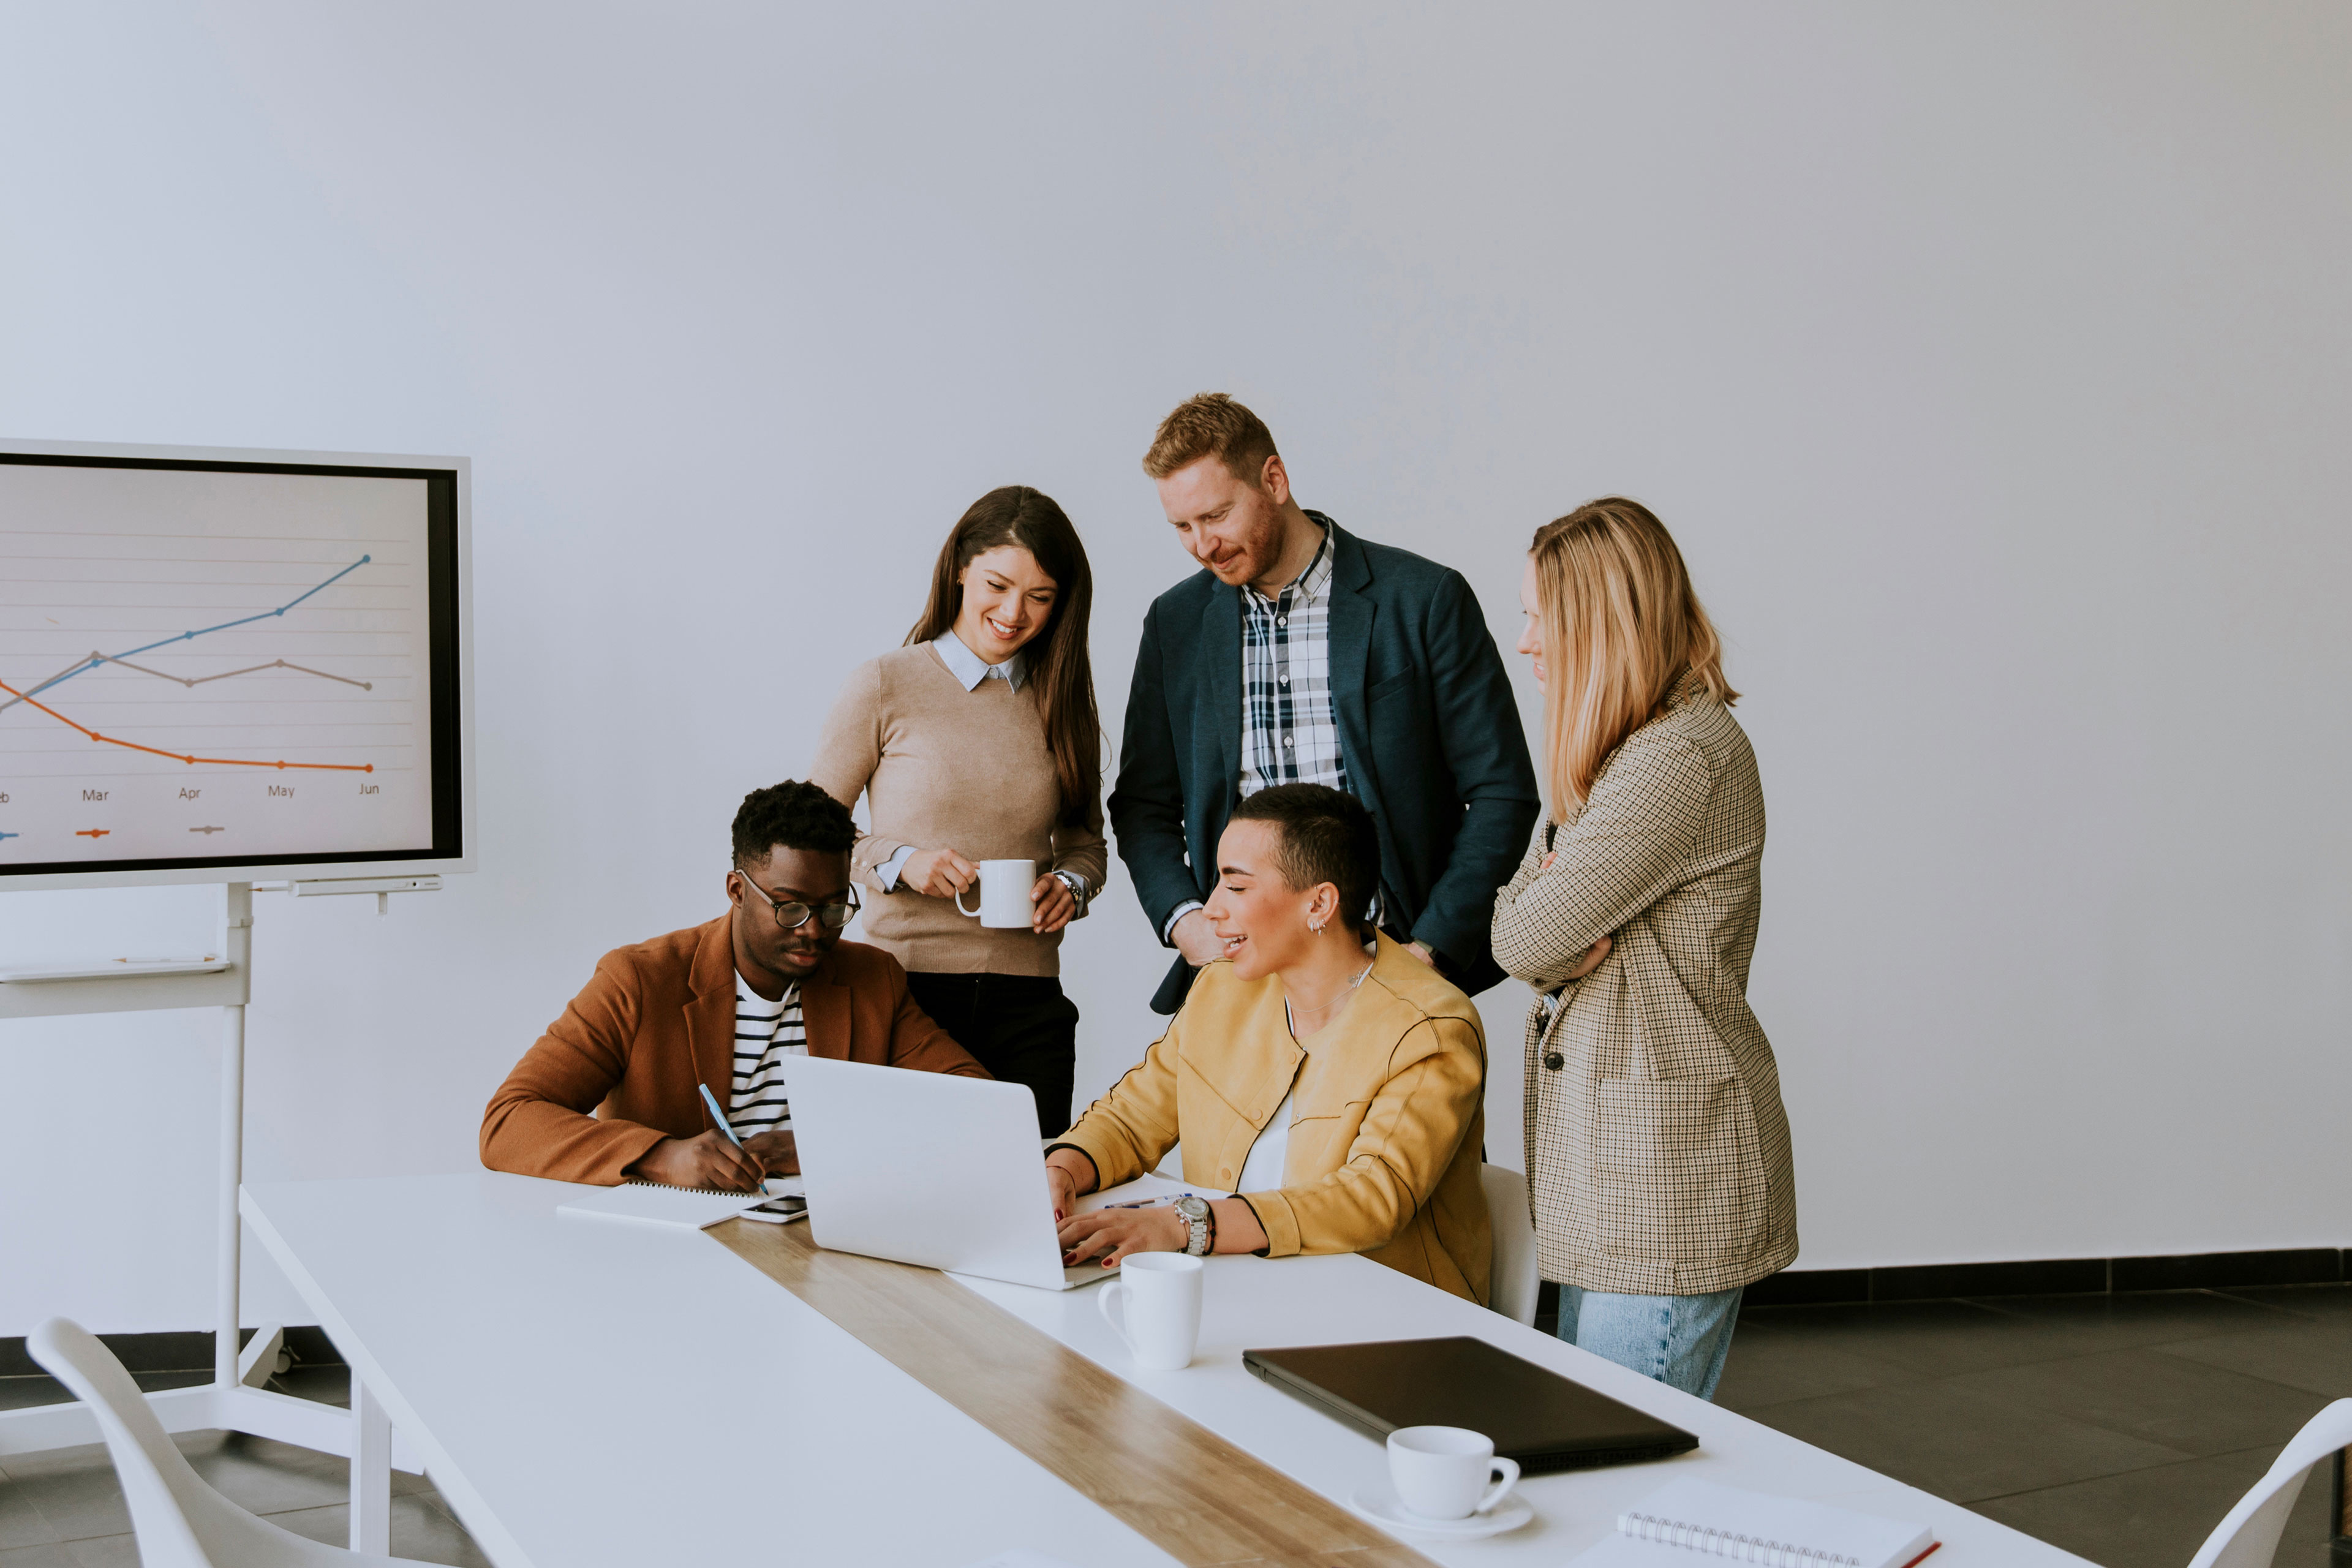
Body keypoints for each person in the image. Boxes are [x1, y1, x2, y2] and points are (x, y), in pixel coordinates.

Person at [1490, 497, 1796, 1400]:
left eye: (1539, 618)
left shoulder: (1672, 759)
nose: (1527, 643)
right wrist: (1549, 905)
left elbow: (1521, 934)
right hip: (1623, 1174)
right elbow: (1527, 919)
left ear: (1596, 623)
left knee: (1625, 1451)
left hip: (1661, 1183)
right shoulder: (1625, 755)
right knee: (1599, 1439)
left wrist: (1549, 914)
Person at [1110, 392, 1540, 1016]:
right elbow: (1143, 803)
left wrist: (1432, 951)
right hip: (1241, 985)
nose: (1202, 545)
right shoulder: (1175, 625)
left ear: (1274, 480)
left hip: (1394, 969)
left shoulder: (1422, 601)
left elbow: (1502, 790)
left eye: (1217, 515)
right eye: (1182, 527)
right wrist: (1187, 924)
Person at [1048, 783, 1491, 1303]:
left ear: (1320, 904)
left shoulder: (1431, 1027)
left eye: (1236, 888)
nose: (1209, 908)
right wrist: (1061, 1171)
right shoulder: (1221, 988)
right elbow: (1132, 1118)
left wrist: (1186, 1226)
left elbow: (1372, 1197)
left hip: (1385, 1320)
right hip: (1236, 1295)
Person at [480, 780, 987, 1189]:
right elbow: (509, 1122)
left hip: (824, 1235)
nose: (814, 929)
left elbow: (977, 1106)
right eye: (790, 908)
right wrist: (660, 1157)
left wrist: (826, 1143)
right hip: (676, 1246)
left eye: (834, 909)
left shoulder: (871, 980)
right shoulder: (638, 980)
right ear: (737, 890)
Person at [810, 486, 1107, 1136]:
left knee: (1032, 1193)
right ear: (960, 569)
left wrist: (1072, 887)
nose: (1013, 613)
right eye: (998, 585)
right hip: (905, 990)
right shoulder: (886, 682)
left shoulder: (1063, 702)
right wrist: (900, 861)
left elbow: (1087, 845)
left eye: (1040, 597)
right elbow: (810, 831)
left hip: (1029, 1001)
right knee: (902, 1196)